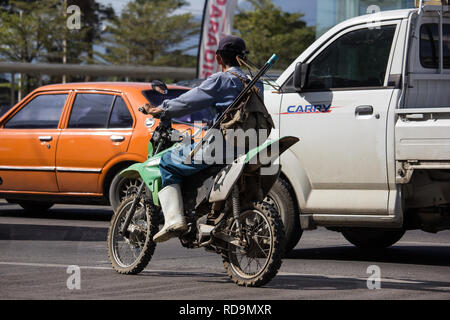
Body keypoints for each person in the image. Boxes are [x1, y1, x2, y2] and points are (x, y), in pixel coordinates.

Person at [140, 35, 263, 243]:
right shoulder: (255, 81)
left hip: (222, 146)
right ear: (242, 58)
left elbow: (188, 102)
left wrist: (157, 110)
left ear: (218, 59)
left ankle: (174, 220)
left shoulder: (221, 80)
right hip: (250, 144)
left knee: (168, 163)